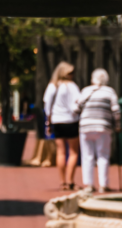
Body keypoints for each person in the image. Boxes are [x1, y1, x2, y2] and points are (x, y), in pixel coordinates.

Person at [74, 69, 121, 193]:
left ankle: (89, 185)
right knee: (103, 155)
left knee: (87, 156)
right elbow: (116, 111)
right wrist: (117, 125)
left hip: (86, 127)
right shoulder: (110, 91)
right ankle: (103, 185)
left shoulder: (85, 91)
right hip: (103, 127)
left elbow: (75, 108)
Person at [43, 62, 81, 190]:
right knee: (73, 152)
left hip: (57, 121)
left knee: (61, 152)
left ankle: (62, 181)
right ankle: (70, 180)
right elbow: (77, 103)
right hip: (71, 120)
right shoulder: (72, 86)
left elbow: (47, 106)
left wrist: (48, 122)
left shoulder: (52, 86)